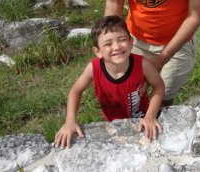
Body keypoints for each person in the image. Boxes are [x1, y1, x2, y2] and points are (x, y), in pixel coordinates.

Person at [54, 15, 165, 148]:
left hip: (143, 120)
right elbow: (75, 91)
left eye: (122, 40)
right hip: (113, 123)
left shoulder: (142, 64)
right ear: (97, 51)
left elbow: (159, 85)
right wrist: (70, 120)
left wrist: (151, 115)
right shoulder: (94, 68)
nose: (117, 46)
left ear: (131, 43)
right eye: (108, 44)